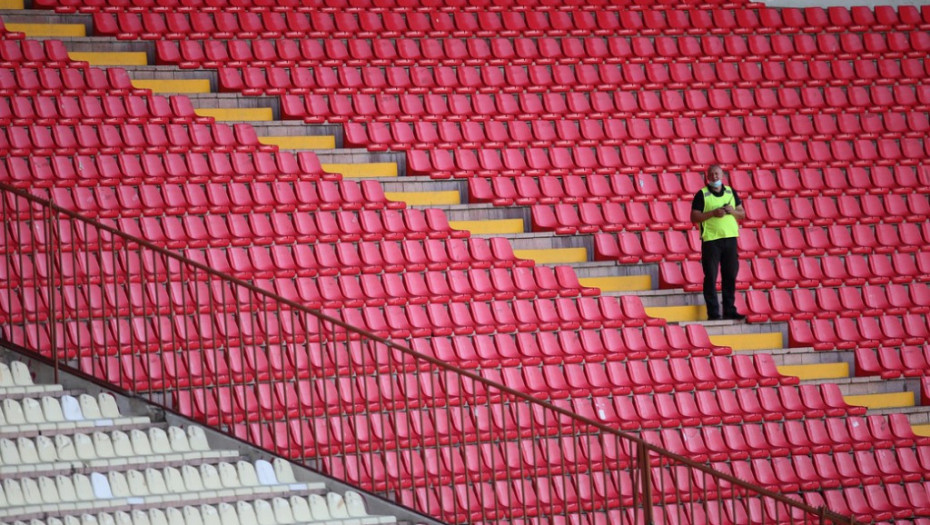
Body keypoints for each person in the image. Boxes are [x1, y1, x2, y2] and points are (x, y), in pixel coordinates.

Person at [690, 165, 746, 321]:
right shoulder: (702, 194)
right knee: (711, 277)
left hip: (730, 238)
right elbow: (694, 217)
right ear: (708, 177)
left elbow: (742, 213)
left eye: (717, 173)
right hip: (711, 240)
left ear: (722, 175)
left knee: (730, 275)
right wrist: (713, 213)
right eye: (712, 174)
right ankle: (714, 313)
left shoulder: (730, 192)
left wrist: (731, 211)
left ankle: (729, 310)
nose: (715, 176)